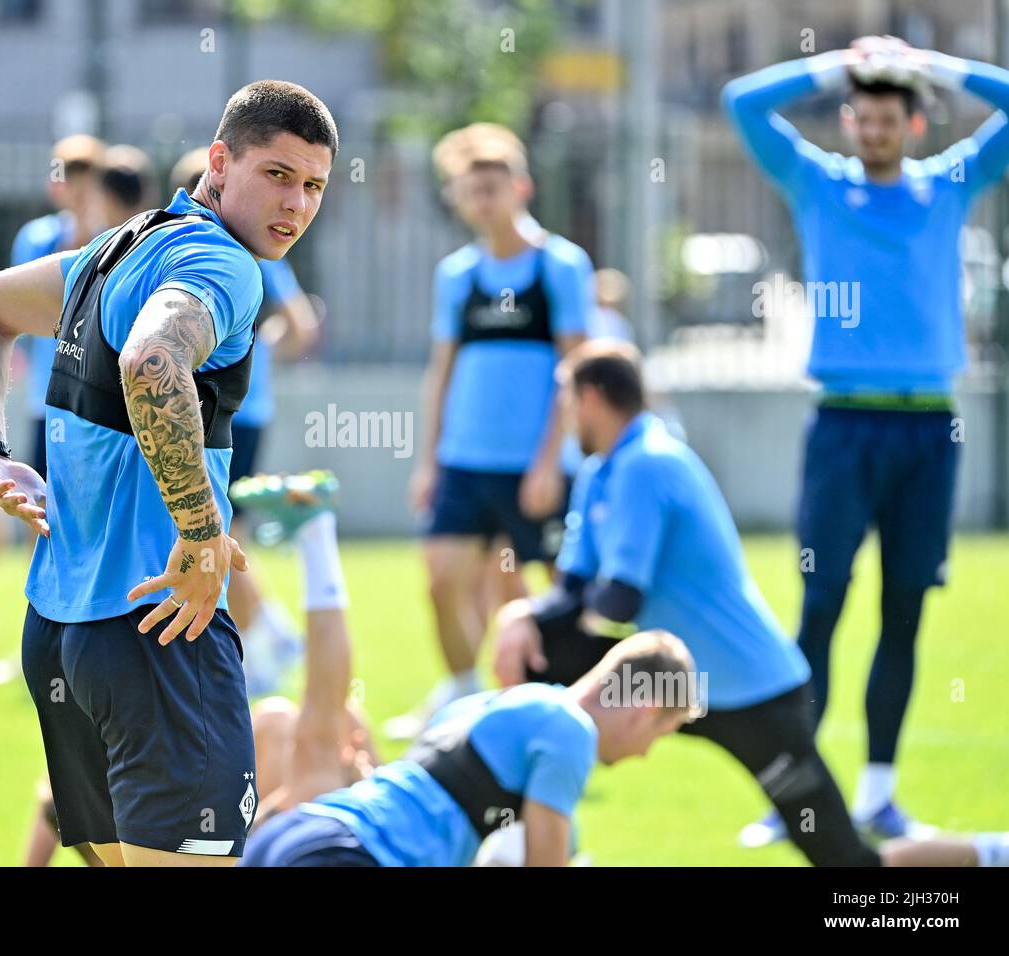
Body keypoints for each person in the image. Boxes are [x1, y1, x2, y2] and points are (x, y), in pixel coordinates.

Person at [0, 80, 339, 866]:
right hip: (159, 631)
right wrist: (200, 529)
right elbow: (153, 360)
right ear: (219, 163)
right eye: (277, 175)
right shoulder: (225, 265)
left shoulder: (116, 246)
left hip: (59, 635)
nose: (295, 205)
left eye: (314, 186)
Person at [492, 340, 1009, 868]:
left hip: (754, 692)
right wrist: (523, 618)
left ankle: (992, 853)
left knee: (851, 869)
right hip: (675, 679)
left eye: (566, 401)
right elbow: (577, 589)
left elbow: (620, 599)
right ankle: (523, 844)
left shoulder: (648, 463)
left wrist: (545, 615)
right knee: (540, 657)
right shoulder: (601, 471)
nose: (561, 417)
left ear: (594, 397)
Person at [723, 35, 1009, 841]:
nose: (875, 130)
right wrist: (839, 60)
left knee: (905, 607)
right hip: (843, 426)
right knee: (820, 606)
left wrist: (932, 62)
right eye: (864, 117)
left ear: (914, 125)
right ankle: (801, 794)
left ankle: (880, 791)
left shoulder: (949, 184)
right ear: (848, 119)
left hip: (927, 428)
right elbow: (741, 101)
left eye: (891, 118)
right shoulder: (816, 183)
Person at [395, 122, 592, 739]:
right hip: (464, 462)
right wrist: (429, 461)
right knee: (439, 579)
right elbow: (441, 372)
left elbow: (575, 371)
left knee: (560, 595)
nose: (482, 201)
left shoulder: (559, 266)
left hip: (534, 465)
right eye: (469, 190)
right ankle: (460, 696)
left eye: (492, 188)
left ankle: (569, 710)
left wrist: (547, 460)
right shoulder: (457, 274)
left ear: (521, 187)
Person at [243, 625, 697, 867]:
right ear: (645, 709)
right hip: (350, 855)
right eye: (658, 736)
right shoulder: (571, 731)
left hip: (296, 832)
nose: (644, 754)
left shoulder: (489, 704)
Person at [170, 147, 324, 696]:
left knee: (216, 531)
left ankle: (258, 645)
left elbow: (300, 325)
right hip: (238, 411)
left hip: (229, 414)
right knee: (221, 530)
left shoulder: (245, 255)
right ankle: (272, 633)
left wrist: (248, 348)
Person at [11, 134, 105, 481]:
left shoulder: (117, 234)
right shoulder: (36, 237)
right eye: (70, 178)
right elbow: (32, 301)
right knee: (42, 493)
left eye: (87, 179)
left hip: (100, 395)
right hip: (48, 394)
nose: (78, 190)